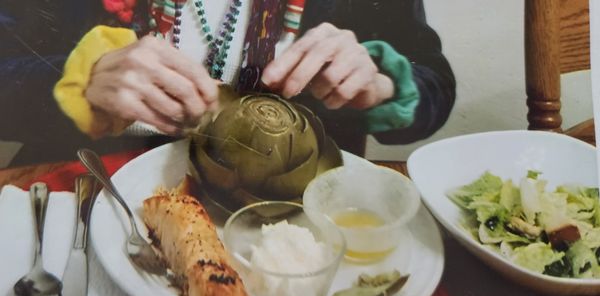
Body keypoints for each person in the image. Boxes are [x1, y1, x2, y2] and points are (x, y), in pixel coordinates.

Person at [0, 0, 455, 165]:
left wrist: (381, 84)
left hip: (291, 217)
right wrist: (78, 81)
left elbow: (435, 84)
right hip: (93, 197)